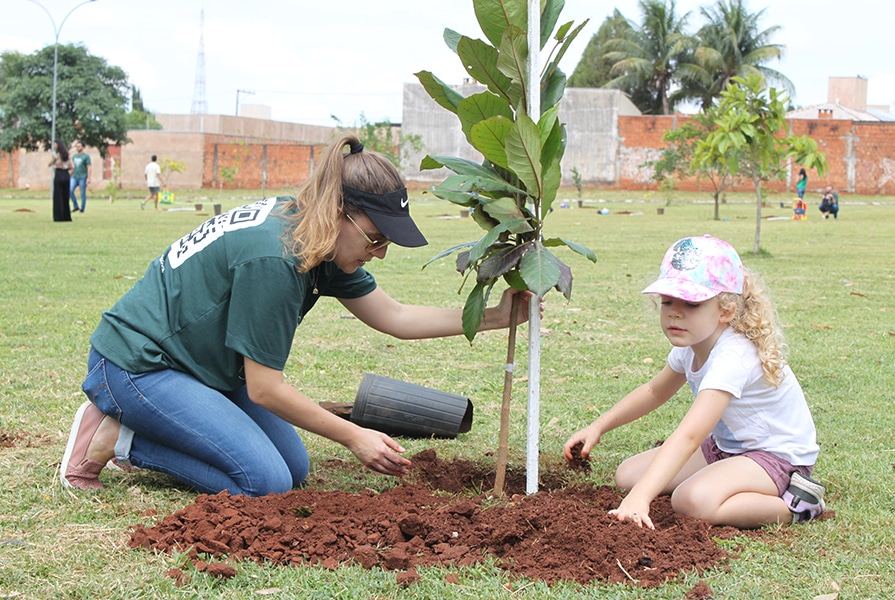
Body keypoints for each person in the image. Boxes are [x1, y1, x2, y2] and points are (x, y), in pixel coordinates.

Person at [61, 133, 534, 496]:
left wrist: (495, 317)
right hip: (138, 366)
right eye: (376, 238)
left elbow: (395, 316)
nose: (381, 253)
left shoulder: (317, 237)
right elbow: (265, 388)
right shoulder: (277, 257)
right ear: (340, 212)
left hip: (201, 370)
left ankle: (160, 428)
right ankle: (118, 438)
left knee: (295, 466)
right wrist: (354, 436)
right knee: (265, 482)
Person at [563, 235, 824, 529]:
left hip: (777, 457)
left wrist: (640, 498)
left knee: (691, 502)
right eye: (668, 301)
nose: (675, 311)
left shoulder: (732, 357)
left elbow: (689, 435)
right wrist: (598, 426)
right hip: (726, 448)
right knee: (628, 475)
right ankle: (720, 478)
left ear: (725, 310)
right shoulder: (691, 347)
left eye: (691, 303)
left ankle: (797, 506)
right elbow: (652, 392)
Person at [48, 139, 73, 222]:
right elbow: (72, 166)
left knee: (58, 196)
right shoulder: (67, 154)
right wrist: (69, 174)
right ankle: (66, 216)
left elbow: (49, 164)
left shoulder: (56, 154)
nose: (54, 146)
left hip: (59, 174)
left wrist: (52, 161)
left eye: (54, 144)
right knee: (66, 196)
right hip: (66, 174)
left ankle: (58, 216)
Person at [69, 141, 91, 213]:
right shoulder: (74, 156)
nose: (77, 148)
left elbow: (89, 167)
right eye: (76, 146)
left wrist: (88, 178)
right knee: (70, 190)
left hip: (83, 177)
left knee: (82, 193)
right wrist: (69, 174)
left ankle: (82, 208)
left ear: (83, 147)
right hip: (74, 176)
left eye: (79, 146)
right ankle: (75, 206)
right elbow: (72, 166)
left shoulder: (86, 157)